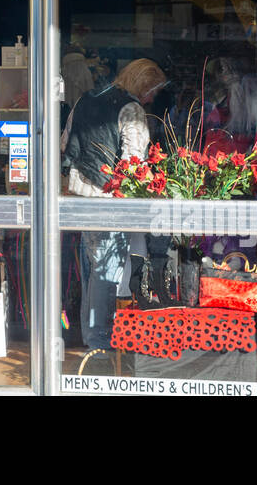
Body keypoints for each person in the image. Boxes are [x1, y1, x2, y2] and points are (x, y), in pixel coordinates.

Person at [62, 58, 168, 357]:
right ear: (144, 86)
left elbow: (65, 143)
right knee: (106, 272)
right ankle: (99, 340)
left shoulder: (86, 99)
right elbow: (134, 161)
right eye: (152, 92)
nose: (152, 98)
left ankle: (89, 334)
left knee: (90, 268)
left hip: (81, 195)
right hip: (110, 198)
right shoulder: (131, 109)